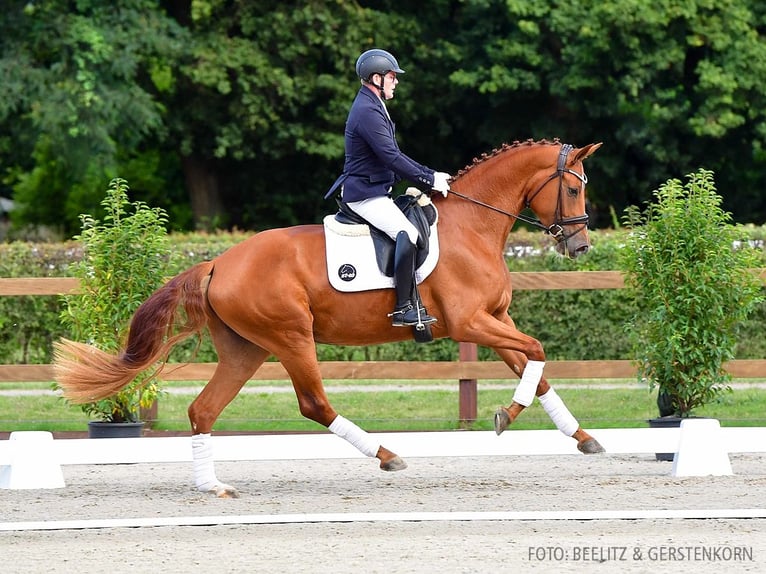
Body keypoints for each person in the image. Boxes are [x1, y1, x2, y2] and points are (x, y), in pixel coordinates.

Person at [326, 48, 452, 327]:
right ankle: (403, 308)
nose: (396, 81)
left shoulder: (373, 104)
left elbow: (392, 154)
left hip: (375, 190)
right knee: (407, 232)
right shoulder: (367, 110)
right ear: (376, 78)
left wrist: (429, 174)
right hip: (364, 196)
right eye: (392, 76)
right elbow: (391, 157)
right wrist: (429, 178)